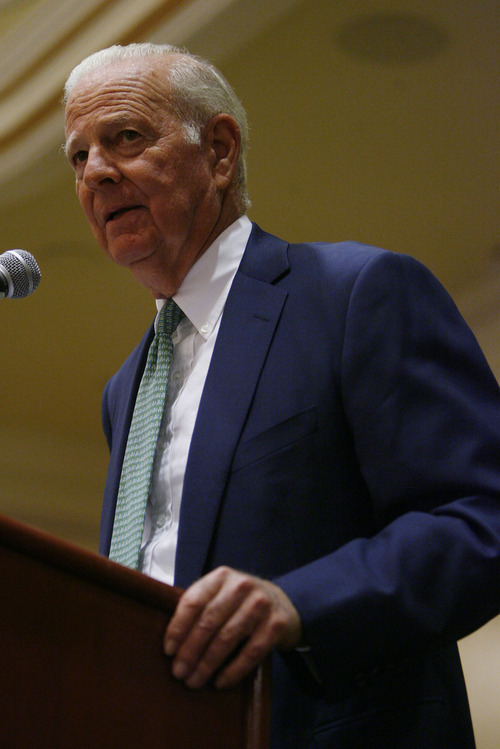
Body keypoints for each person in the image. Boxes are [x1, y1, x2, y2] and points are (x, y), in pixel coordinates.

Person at [63, 42, 500, 747]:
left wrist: (300, 603)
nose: (96, 172)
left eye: (126, 138)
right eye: (77, 157)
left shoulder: (353, 295)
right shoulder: (127, 389)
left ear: (221, 151)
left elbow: (483, 518)